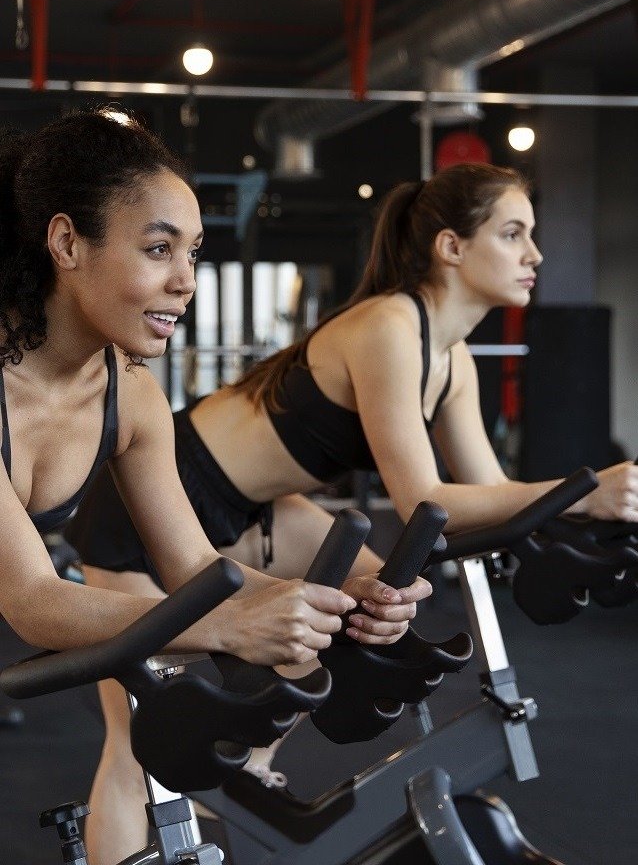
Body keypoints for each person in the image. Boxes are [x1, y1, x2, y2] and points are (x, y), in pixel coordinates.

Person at [65, 160, 638, 863]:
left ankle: (246, 764)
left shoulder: (452, 359)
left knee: (377, 615)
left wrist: (585, 510)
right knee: (137, 746)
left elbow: (486, 494)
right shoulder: (390, 327)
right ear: (451, 247)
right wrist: (587, 490)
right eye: (514, 233)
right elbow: (426, 501)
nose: (535, 255)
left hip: (258, 507)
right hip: (158, 495)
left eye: (533, 235)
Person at [0, 107, 427, 863]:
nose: (186, 281)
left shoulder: (127, 397)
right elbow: (33, 600)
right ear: (66, 242)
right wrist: (229, 628)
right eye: (158, 248)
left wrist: (330, 602)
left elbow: (195, 569)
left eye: (192, 252)